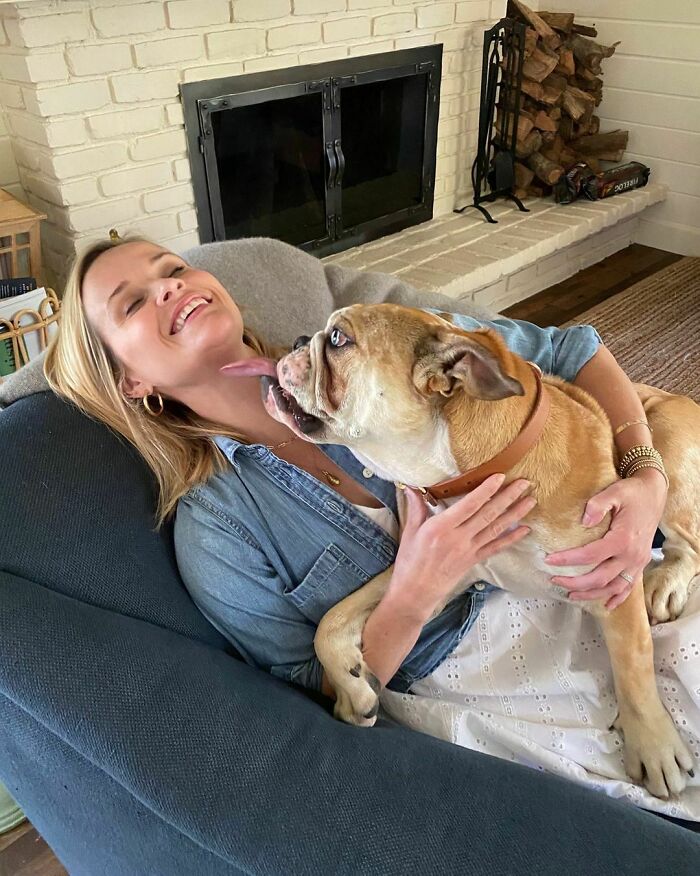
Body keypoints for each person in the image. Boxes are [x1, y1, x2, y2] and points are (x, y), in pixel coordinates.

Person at [44, 234, 698, 820]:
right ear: (131, 381)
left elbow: (569, 351)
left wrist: (647, 472)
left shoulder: (375, 337)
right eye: (133, 303)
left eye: (173, 267)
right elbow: (315, 696)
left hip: (587, 571)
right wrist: (414, 593)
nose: (168, 286)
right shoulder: (217, 527)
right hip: (478, 677)